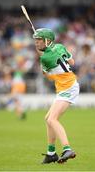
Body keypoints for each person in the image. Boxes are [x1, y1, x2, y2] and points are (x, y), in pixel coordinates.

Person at [33, 28, 80, 164]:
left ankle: (67, 149)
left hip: (67, 87)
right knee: (48, 119)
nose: (36, 43)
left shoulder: (45, 58)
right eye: (35, 40)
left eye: (39, 40)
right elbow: (72, 63)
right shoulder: (60, 46)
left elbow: (47, 76)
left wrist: (45, 69)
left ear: (47, 41)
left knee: (52, 119)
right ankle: (51, 153)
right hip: (70, 84)